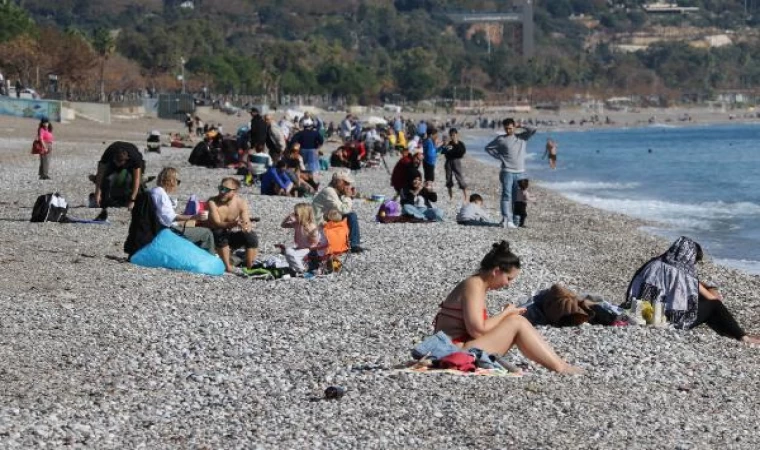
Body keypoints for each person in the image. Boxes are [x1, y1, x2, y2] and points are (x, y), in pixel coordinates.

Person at [433, 241, 583, 374]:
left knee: (514, 319)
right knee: (517, 322)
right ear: (496, 271)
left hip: (456, 348)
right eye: (508, 278)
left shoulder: (476, 284)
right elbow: (477, 330)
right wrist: (506, 314)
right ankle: (560, 367)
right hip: (454, 351)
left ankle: (557, 362)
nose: (508, 284)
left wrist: (507, 315)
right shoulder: (474, 285)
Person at [623, 236, 760, 344]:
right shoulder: (684, 274)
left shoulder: (652, 263)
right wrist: (711, 288)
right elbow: (714, 299)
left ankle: (734, 334)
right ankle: (743, 337)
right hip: (660, 319)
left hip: (638, 312)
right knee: (714, 306)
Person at [485, 118, 537, 229]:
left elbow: (533, 129)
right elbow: (488, 148)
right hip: (507, 171)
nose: (508, 130)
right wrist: (499, 157)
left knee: (518, 198)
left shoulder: (522, 137)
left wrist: (521, 124)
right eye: (506, 128)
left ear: (514, 127)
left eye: (510, 128)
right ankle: (506, 219)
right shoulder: (501, 139)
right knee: (506, 195)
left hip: (520, 172)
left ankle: (516, 221)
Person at [149, 167, 214, 252]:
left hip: (157, 227)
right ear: (171, 181)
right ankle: (209, 257)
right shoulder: (161, 194)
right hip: (166, 231)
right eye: (178, 181)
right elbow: (171, 217)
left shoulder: (153, 191)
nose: (177, 184)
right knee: (206, 233)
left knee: (192, 225)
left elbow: (163, 214)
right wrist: (195, 217)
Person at [207, 177, 259, 274]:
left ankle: (250, 267)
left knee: (251, 236)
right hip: (212, 237)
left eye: (226, 190)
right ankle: (228, 267)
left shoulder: (240, 203)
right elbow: (217, 223)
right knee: (219, 231)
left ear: (235, 191)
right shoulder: (212, 202)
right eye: (220, 188)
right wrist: (234, 223)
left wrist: (245, 226)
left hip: (228, 235)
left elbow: (246, 221)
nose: (222, 191)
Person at [312, 170, 365, 253]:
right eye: (346, 183)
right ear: (339, 182)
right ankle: (354, 244)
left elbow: (342, 208)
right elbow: (344, 210)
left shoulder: (335, 191)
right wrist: (348, 197)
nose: (348, 186)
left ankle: (352, 242)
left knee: (350, 215)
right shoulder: (329, 191)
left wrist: (348, 196)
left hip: (325, 219)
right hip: (319, 224)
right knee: (351, 215)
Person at [277, 203, 327, 273]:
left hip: (309, 250)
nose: (294, 215)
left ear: (303, 215)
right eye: (294, 213)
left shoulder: (311, 226)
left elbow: (316, 242)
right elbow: (283, 225)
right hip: (300, 248)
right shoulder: (297, 224)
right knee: (288, 251)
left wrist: (311, 236)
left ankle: (301, 270)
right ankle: (297, 268)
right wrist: (289, 216)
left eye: (296, 214)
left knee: (291, 254)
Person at [94, 141, 145, 209]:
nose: (118, 165)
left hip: (132, 157)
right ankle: (104, 200)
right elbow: (100, 173)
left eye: (120, 164)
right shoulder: (109, 153)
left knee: (136, 181)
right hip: (113, 157)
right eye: (116, 162)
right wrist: (97, 193)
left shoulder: (134, 158)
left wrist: (132, 200)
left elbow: (137, 179)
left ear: (126, 161)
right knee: (105, 178)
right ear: (113, 158)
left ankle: (137, 199)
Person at [441, 128, 468, 202]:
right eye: (451, 135)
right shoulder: (449, 143)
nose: (453, 136)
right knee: (448, 178)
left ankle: (466, 197)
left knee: (459, 178)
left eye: (454, 135)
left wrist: (455, 146)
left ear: (457, 134)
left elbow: (462, 152)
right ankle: (451, 197)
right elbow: (443, 152)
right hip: (448, 162)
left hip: (456, 161)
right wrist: (444, 146)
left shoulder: (460, 143)